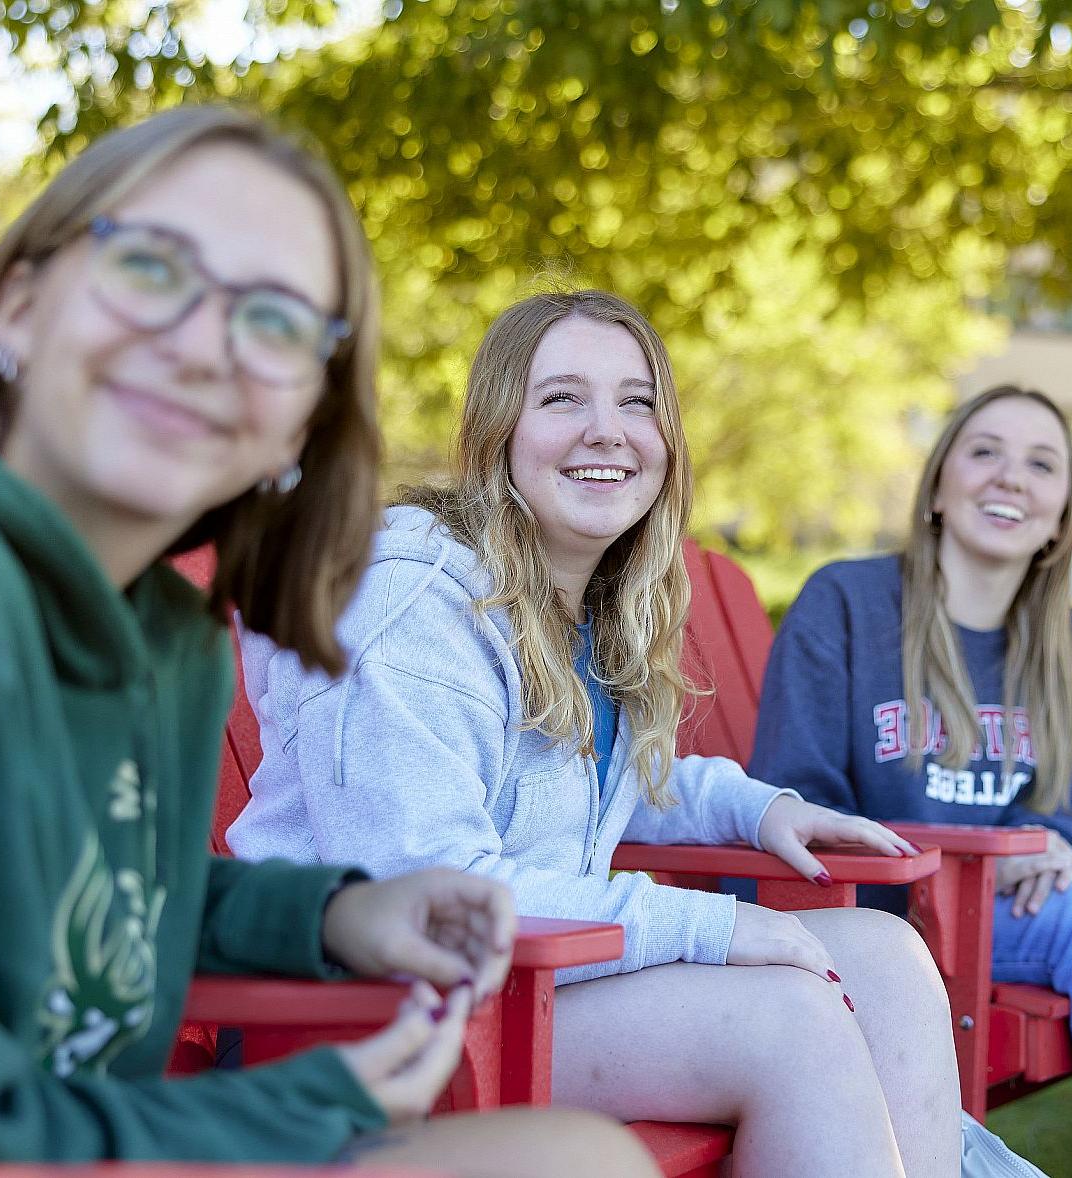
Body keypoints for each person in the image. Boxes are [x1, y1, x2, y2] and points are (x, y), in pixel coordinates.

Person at [0, 105, 652, 1176]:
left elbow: (92, 899)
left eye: (276, 321)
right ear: (18, 305)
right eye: (149, 268)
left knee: (573, 1155)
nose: (200, 343)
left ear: (300, 423)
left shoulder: (166, 639)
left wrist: (334, 915)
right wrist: (300, 1107)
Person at [232, 289, 970, 1177]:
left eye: (636, 400)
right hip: (363, 1020)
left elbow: (608, 780)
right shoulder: (415, 601)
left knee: (887, 958)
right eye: (561, 398)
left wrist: (757, 809)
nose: (607, 429)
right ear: (495, 431)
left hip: (519, 989)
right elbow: (425, 885)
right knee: (792, 1027)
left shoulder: (580, 603)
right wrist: (710, 924)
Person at [748, 384, 1072, 1176]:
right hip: (893, 912)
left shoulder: (1054, 636)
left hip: (1003, 905)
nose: (1010, 478)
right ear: (936, 486)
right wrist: (1007, 856)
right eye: (984, 451)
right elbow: (800, 796)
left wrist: (1046, 847)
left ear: (1061, 517)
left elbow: (1061, 810)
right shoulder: (847, 603)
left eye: (1041, 464)